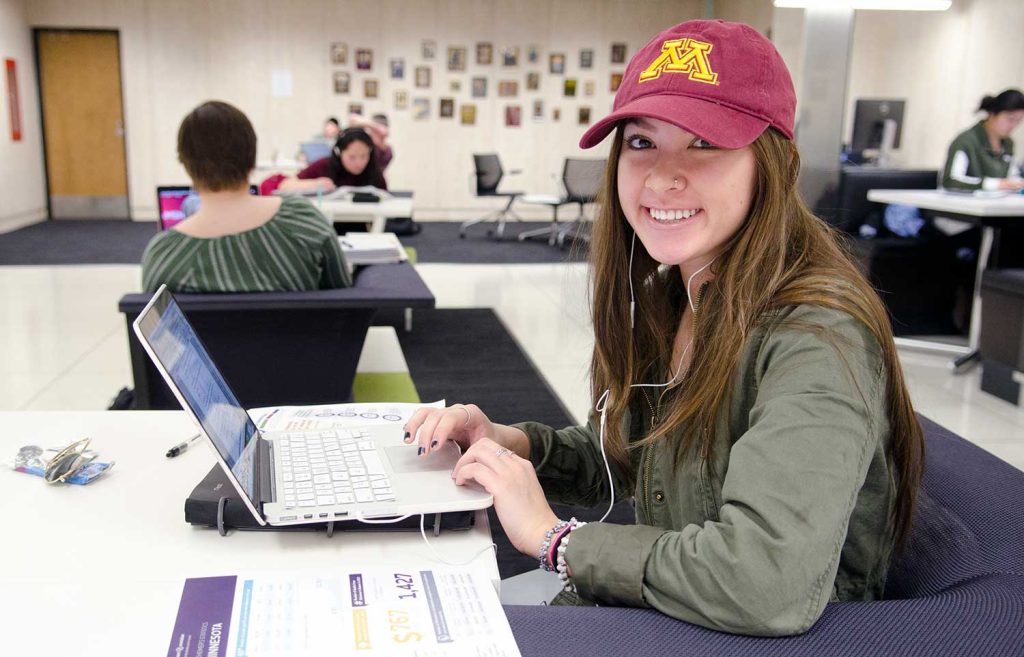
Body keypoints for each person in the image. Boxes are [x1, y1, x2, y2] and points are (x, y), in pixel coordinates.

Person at [405, 20, 924, 636]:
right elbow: (623, 460)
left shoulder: (817, 335)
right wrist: (507, 443)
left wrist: (558, 543)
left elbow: (765, 580)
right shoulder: (675, 293)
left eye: (704, 142)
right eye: (642, 143)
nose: (661, 175)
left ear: (777, 162)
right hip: (678, 610)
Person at [142, 101, 351, 293]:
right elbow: (343, 298)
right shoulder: (303, 220)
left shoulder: (164, 256)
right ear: (252, 157)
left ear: (186, 164)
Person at [943, 88, 1024, 192]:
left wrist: (1016, 183)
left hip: (997, 205)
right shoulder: (966, 141)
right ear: (993, 114)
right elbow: (950, 181)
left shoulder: (1008, 144)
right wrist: (994, 184)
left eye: (1018, 121)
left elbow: (1011, 176)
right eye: (1010, 119)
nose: (1014, 126)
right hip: (964, 205)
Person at [273, 127, 388, 195]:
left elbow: (385, 196)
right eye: (352, 157)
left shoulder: (372, 169)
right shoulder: (323, 165)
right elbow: (284, 186)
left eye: (364, 156)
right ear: (339, 152)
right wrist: (314, 184)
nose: (359, 163)